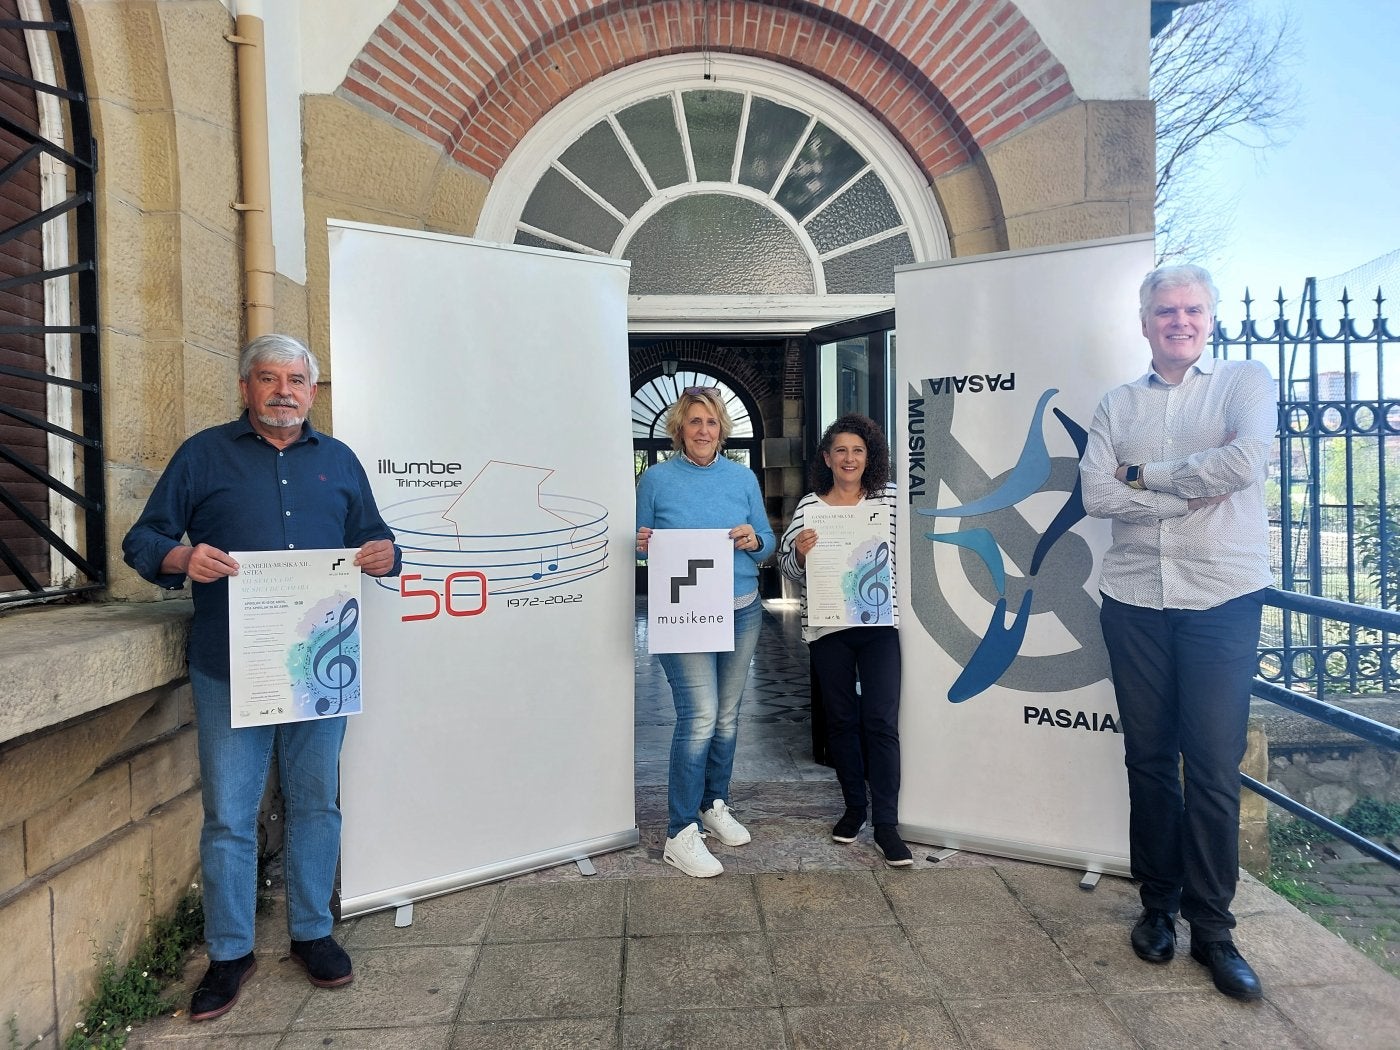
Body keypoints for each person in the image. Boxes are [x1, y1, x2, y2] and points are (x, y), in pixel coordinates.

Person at [123, 334, 401, 1021]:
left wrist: (384, 555)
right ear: (246, 387)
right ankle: (230, 952)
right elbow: (142, 540)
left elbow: (381, 541)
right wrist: (182, 559)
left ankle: (312, 933)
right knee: (229, 815)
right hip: (229, 667)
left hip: (320, 667)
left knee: (316, 803)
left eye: (296, 380)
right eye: (269, 378)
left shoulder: (338, 460)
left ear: (312, 390)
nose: (284, 391)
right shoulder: (202, 456)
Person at [1080, 264, 1276, 1001]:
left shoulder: (1244, 383)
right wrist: (1181, 496)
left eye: (1193, 309)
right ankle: (1158, 907)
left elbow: (1244, 461)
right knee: (1151, 761)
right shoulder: (1117, 403)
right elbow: (1095, 493)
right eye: (1166, 311)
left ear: (1210, 318)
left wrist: (1143, 474)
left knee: (1216, 767)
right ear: (1145, 323)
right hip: (1133, 598)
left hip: (1222, 597)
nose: (1180, 321)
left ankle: (1215, 930)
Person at [635, 386, 775, 877]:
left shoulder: (742, 478)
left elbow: (767, 544)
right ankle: (680, 832)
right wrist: (641, 543)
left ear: (721, 430)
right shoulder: (655, 480)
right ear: (680, 428)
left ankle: (713, 804)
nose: (703, 430)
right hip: (684, 613)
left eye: (711, 422)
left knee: (727, 718)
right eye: (694, 421)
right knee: (699, 717)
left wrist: (755, 539)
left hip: (742, 609)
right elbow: (638, 545)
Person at [777, 414, 912, 867]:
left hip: (880, 628)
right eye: (841, 451)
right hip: (828, 629)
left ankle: (887, 824)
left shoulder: (890, 499)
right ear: (827, 458)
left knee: (881, 721)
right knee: (840, 722)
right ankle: (855, 808)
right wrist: (799, 553)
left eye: (857, 450)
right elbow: (788, 569)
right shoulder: (809, 507)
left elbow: (910, 552)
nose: (849, 458)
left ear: (869, 456)